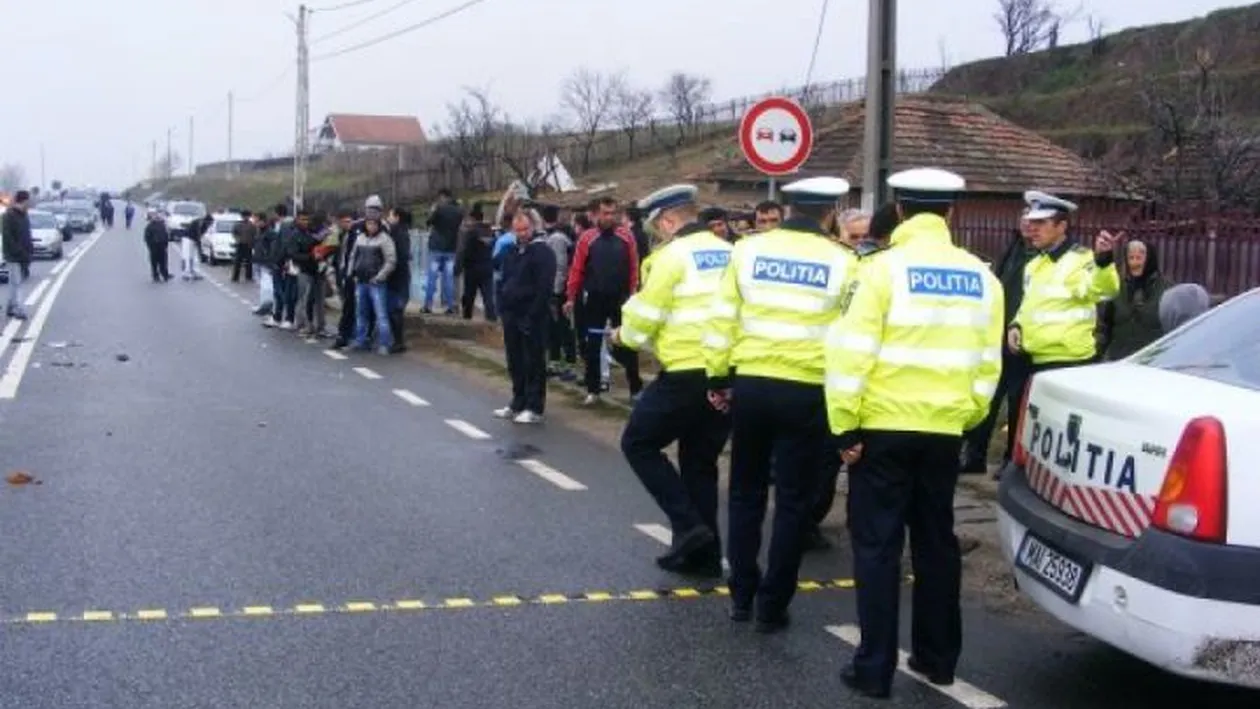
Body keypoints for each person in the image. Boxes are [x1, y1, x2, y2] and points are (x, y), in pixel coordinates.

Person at [824, 167, 1004, 700]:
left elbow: (849, 354)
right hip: (943, 431)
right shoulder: (982, 277)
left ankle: (874, 668)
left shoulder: (880, 271)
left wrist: (845, 426)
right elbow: (987, 364)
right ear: (951, 213)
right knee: (936, 543)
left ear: (899, 211)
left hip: (881, 430)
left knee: (878, 547)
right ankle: (938, 659)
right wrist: (966, 417)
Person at [703, 176, 859, 633]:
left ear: (787, 209)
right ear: (831, 213)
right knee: (792, 500)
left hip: (751, 385)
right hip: (808, 392)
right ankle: (774, 604)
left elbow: (722, 320)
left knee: (745, 493)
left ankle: (741, 595)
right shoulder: (845, 261)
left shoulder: (746, 251)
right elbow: (851, 335)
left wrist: (717, 376)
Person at [614, 184, 732, 577]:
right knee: (700, 461)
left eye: (655, 228)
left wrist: (621, 338)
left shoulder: (671, 257)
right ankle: (704, 554)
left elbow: (645, 318)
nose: (655, 236)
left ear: (668, 221)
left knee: (638, 443)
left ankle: (687, 525)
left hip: (684, 372)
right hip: (726, 374)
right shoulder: (733, 253)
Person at [1008, 190, 1120, 374]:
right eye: (1032, 221)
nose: (1032, 228)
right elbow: (1030, 304)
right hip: (1033, 359)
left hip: (1068, 363)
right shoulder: (1035, 264)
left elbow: (1104, 291)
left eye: (1041, 222)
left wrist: (1104, 261)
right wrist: (1016, 324)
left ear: (1062, 226)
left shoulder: (1081, 259)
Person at [960, 216, 1035, 474]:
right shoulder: (1013, 249)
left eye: (1032, 221)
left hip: (1023, 341)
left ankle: (1008, 461)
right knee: (988, 399)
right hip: (998, 334)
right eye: (1024, 220)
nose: (1026, 225)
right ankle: (975, 456)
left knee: (1016, 404)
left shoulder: (1039, 257)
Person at [564, 197, 644, 405]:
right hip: (595, 298)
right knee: (592, 344)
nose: (610, 217)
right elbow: (577, 269)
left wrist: (634, 291)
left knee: (626, 343)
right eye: (605, 213)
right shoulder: (587, 238)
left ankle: (635, 389)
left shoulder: (626, 236)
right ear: (596, 215)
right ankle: (593, 390)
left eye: (613, 213)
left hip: (620, 298)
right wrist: (571, 297)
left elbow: (634, 266)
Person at [493, 210, 557, 424]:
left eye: (525, 229)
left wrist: (533, 315)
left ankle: (534, 405)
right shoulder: (511, 251)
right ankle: (517, 400)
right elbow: (503, 278)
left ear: (533, 227)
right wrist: (502, 305)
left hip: (532, 315)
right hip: (511, 313)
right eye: (517, 230)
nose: (521, 234)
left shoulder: (542, 252)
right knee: (515, 360)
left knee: (533, 362)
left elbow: (544, 287)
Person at [1099, 238, 1171, 360]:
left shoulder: (1166, 290)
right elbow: (1105, 327)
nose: (1135, 263)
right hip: (1120, 361)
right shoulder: (1117, 288)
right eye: (1131, 258)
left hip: (1153, 361)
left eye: (1139, 258)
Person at [349, 215, 397, 355]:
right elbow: (353, 256)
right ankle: (361, 340)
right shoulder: (360, 238)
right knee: (361, 313)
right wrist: (353, 273)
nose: (371, 227)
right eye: (369, 224)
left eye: (374, 224)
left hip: (376, 282)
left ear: (378, 225)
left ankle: (384, 343)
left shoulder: (385, 239)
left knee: (381, 314)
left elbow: (391, 261)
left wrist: (379, 277)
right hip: (361, 281)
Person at [541, 205, 577, 381]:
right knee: (553, 327)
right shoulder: (556, 235)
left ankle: (568, 364)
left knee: (562, 328)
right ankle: (554, 362)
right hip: (557, 288)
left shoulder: (556, 238)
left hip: (559, 291)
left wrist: (555, 293)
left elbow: (559, 267)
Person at [424, 188, 463, 314]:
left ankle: (428, 305)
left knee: (432, 277)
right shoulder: (459, 211)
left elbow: (429, 222)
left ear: (442, 196)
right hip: (451, 248)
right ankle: (450, 306)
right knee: (449, 278)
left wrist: (433, 210)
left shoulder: (439, 209)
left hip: (436, 247)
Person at [457, 203, 497, 321]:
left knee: (469, 296)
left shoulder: (470, 232)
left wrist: (459, 266)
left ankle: (467, 318)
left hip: (472, 268)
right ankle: (491, 319)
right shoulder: (489, 232)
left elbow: (464, 250)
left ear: (473, 218)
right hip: (487, 267)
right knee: (488, 296)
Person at [2, 190, 33, 319]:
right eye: (28, 200)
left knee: (15, 282)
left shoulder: (24, 215)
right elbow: (8, 237)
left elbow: (27, 234)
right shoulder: (8, 216)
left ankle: (10, 306)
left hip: (24, 254)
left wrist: (30, 249)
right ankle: (19, 309)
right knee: (17, 282)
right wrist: (18, 251)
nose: (30, 203)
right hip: (13, 255)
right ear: (24, 201)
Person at [386, 207, 413, 352]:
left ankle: (398, 341)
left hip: (396, 276)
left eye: (390, 215)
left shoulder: (397, 233)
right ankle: (397, 340)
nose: (388, 218)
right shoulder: (402, 232)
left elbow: (401, 256)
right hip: (400, 276)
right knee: (395, 309)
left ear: (397, 217)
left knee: (394, 309)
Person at [253, 211, 280, 319]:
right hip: (258, 261)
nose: (255, 222)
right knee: (261, 285)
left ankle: (269, 307)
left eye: (257, 220)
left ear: (263, 221)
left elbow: (273, 249)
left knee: (267, 286)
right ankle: (263, 305)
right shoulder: (260, 231)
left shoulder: (270, 233)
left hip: (266, 263)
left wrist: (270, 261)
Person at [143, 209, 171, 282]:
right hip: (154, 247)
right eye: (154, 217)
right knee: (154, 262)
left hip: (162, 246)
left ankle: (165, 275)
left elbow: (166, 236)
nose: (156, 218)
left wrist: (166, 244)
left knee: (163, 262)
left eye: (157, 216)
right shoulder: (149, 227)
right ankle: (155, 275)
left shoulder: (162, 225)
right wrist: (150, 246)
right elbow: (146, 238)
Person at [231, 210, 257, 283]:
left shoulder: (252, 225)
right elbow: (234, 233)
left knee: (249, 262)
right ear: (242, 216)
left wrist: (253, 243)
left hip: (248, 245)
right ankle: (235, 277)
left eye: (247, 216)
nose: (246, 217)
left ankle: (249, 277)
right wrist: (237, 239)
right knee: (237, 262)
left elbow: (254, 234)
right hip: (240, 245)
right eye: (244, 216)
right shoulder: (237, 224)